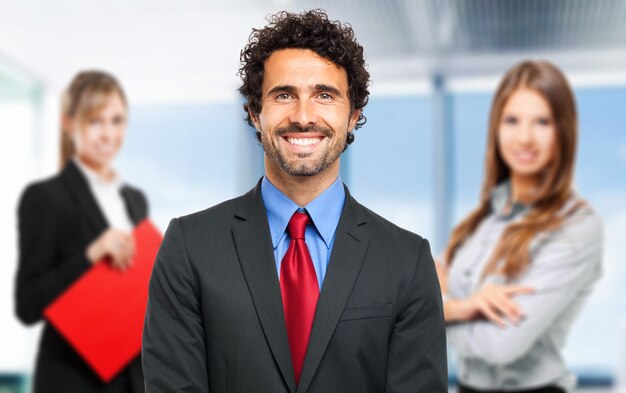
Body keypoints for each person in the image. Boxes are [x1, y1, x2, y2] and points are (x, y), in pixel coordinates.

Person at [142, 9, 447, 393]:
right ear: (255, 113)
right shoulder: (190, 246)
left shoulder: (406, 259)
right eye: (284, 95)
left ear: (353, 115)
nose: (303, 117)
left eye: (324, 95)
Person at [436, 60, 603, 393]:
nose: (525, 137)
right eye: (512, 121)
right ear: (496, 129)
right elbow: (424, 278)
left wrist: (437, 312)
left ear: (563, 131)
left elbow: (501, 344)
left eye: (542, 122)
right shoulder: (483, 218)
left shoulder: (577, 226)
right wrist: (459, 306)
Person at [15, 71, 147, 393]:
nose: (108, 134)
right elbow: (28, 304)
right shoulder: (46, 197)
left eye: (117, 121)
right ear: (69, 123)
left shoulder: (134, 200)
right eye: (95, 122)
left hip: (131, 378)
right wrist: (90, 255)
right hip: (73, 379)